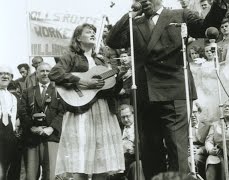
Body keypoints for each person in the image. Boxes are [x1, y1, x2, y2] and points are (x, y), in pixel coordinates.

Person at [106, 0, 227, 179]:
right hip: (145, 94)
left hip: (174, 91)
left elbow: (205, 28)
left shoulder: (179, 15)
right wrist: (129, 15)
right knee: (150, 152)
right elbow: (113, 40)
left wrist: (220, 4)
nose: (144, 1)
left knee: (176, 148)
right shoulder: (135, 23)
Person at [48, 23, 125, 180]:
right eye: (88, 32)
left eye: (94, 33)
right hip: (80, 111)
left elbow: (109, 89)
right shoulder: (71, 56)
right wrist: (80, 82)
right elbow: (55, 73)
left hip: (102, 111)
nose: (92, 34)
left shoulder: (101, 61)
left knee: (101, 163)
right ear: (78, 37)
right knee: (81, 162)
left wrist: (120, 78)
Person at [19, 63, 63, 180]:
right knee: (31, 175)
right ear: (36, 74)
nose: (45, 73)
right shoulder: (27, 91)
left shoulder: (59, 92)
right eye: (42, 71)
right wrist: (31, 127)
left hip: (51, 136)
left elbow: (62, 112)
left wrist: (52, 128)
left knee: (50, 174)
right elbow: (22, 112)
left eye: (48, 71)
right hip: (32, 137)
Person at [0, 66, 18, 180]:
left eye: (7, 74)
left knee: (6, 165)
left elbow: (13, 116)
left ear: (11, 78)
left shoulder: (13, 97)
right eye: (1, 73)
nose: (4, 76)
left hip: (7, 132)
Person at [119, 104, 145, 180]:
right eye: (123, 117)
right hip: (120, 162)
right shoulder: (117, 129)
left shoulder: (140, 128)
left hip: (134, 160)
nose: (126, 119)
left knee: (138, 165)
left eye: (128, 116)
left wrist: (136, 150)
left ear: (133, 114)